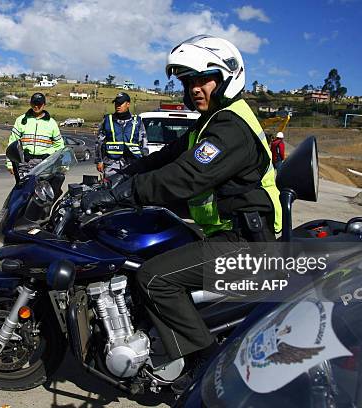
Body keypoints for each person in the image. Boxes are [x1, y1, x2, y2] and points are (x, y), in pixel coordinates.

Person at [82, 35, 282, 394]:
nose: (194, 89)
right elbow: (168, 156)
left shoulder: (231, 127)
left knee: (155, 277)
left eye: (202, 79)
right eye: (188, 82)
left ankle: (203, 368)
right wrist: (121, 176)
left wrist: (125, 193)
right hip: (229, 233)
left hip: (249, 244)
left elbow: (187, 175)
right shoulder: (211, 122)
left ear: (226, 76)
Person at [6, 92, 64, 175]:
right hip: (25, 164)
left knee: (46, 187)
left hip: (45, 164)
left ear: (44, 105)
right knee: (25, 187)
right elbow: (12, 144)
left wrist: (61, 164)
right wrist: (10, 164)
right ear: (30, 103)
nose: (36, 106)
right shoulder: (21, 120)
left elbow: (59, 146)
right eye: (34, 103)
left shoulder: (51, 123)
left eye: (39, 104)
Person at [94, 92, 147, 178]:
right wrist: (99, 161)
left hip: (132, 164)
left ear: (128, 104)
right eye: (116, 103)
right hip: (111, 165)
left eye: (121, 103)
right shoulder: (107, 120)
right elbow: (98, 142)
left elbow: (144, 142)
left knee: (130, 189)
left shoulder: (137, 121)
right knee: (110, 189)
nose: (118, 105)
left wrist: (144, 160)